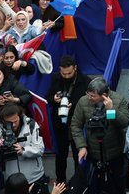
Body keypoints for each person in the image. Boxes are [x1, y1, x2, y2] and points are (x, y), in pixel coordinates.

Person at [69, 78, 129, 194]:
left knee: (117, 188)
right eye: (88, 94)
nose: (89, 98)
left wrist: (111, 110)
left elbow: (124, 122)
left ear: (104, 95)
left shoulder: (118, 100)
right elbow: (75, 125)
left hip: (115, 154)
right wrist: (82, 146)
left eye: (92, 96)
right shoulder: (83, 102)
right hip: (93, 154)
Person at [48, 54, 89, 185]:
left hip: (77, 124)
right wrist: (54, 99)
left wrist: (75, 105)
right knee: (60, 156)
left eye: (69, 73)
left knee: (79, 156)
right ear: (59, 69)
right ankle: (60, 183)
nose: (66, 76)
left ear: (75, 68)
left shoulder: (85, 81)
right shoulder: (55, 79)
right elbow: (47, 98)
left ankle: (78, 183)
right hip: (60, 124)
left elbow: (89, 101)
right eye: (63, 73)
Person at [0, 104, 48, 193]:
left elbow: (40, 149)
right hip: (13, 182)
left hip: (34, 177)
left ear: (20, 116)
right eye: (9, 122)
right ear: (3, 120)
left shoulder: (31, 125)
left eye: (16, 121)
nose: (14, 124)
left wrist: (23, 150)